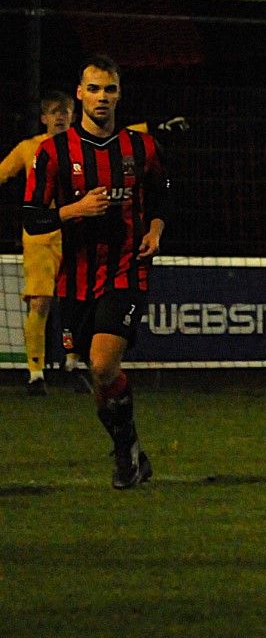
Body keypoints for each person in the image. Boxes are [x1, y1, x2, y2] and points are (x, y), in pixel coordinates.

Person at [23, 54, 170, 489]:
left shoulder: (141, 148)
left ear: (119, 94)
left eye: (110, 89)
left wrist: (157, 229)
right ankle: (131, 453)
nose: (102, 97)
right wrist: (75, 209)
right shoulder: (53, 153)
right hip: (76, 276)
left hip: (126, 268)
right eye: (94, 89)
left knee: (104, 361)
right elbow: (33, 218)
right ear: (79, 95)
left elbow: (161, 195)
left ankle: (126, 457)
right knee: (97, 374)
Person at [3, 91, 76, 395]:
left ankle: (73, 363)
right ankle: (36, 373)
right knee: (41, 302)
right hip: (40, 236)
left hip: (76, 231)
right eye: (54, 111)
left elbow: (123, 143)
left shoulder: (83, 144)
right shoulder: (28, 148)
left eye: (66, 111)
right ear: (44, 118)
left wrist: (156, 129)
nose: (61, 116)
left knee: (75, 301)